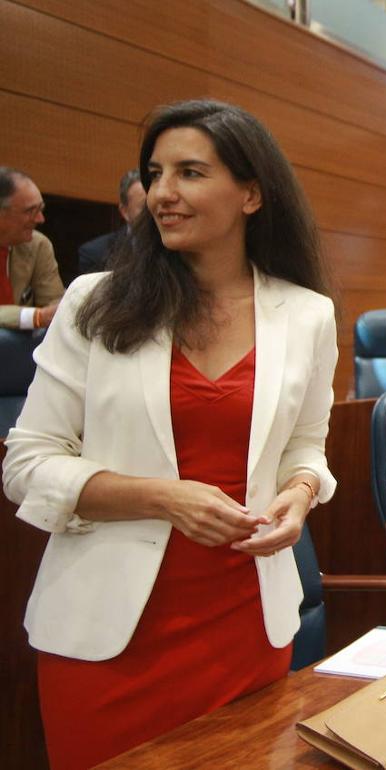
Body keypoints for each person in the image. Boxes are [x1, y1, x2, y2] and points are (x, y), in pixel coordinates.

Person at [3, 100, 337, 769]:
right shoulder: (94, 303)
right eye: (155, 173)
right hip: (106, 639)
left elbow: (306, 446)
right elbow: (27, 464)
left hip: (246, 627)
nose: (161, 193)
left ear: (251, 193)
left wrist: (300, 493)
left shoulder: (307, 314)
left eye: (188, 172)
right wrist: (165, 498)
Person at [0, 168, 64, 330]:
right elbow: (44, 316)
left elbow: (55, 306)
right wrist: (35, 317)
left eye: (40, 209)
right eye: (30, 211)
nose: (40, 219)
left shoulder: (38, 245)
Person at [77, 169, 146, 275]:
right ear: (125, 212)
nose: (154, 213)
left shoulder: (176, 247)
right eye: (145, 207)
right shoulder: (96, 255)